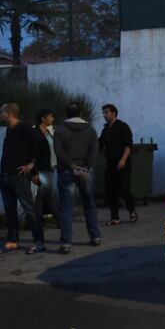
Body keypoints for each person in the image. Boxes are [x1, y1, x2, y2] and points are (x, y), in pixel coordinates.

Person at [53, 101, 101, 254]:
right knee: (90, 204)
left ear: (66, 114)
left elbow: (59, 152)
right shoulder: (91, 130)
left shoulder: (59, 130)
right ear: (81, 114)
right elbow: (94, 151)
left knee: (66, 208)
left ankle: (66, 243)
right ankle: (96, 237)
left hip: (67, 171)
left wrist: (72, 166)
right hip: (86, 172)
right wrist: (85, 167)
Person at [0, 103, 38, 255]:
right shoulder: (9, 129)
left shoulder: (25, 128)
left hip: (19, 177)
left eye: (1, 112)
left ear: (9, 114)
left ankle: (38, 241)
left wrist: (31, 165)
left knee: (29, 209)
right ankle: (13, 241)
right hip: (6, 176)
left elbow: (39, 145)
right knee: (10, 210)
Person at [99, 103, 137, 225]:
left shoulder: (122, 127)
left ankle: (132, 211)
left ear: (114, 113)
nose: (104, 115)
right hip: (110, 163)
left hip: (122, 163)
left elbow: (128, 145)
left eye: (106, 112)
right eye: (103, 113)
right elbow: (99, 145)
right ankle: (114, 217)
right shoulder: (105, 130)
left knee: (124, 188)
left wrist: (123, 160)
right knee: (111, 190)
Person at [28, 108, 58, 255]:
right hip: (42, 171)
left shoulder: (48, 132)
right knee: (49, 199)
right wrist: (33, 174)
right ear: (42, 118)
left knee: (42, 201)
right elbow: (31, 154)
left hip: (50, 170)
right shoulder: (35, 133)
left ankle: (37, 226)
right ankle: (63, 224)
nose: (52, 118)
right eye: (50, 116)